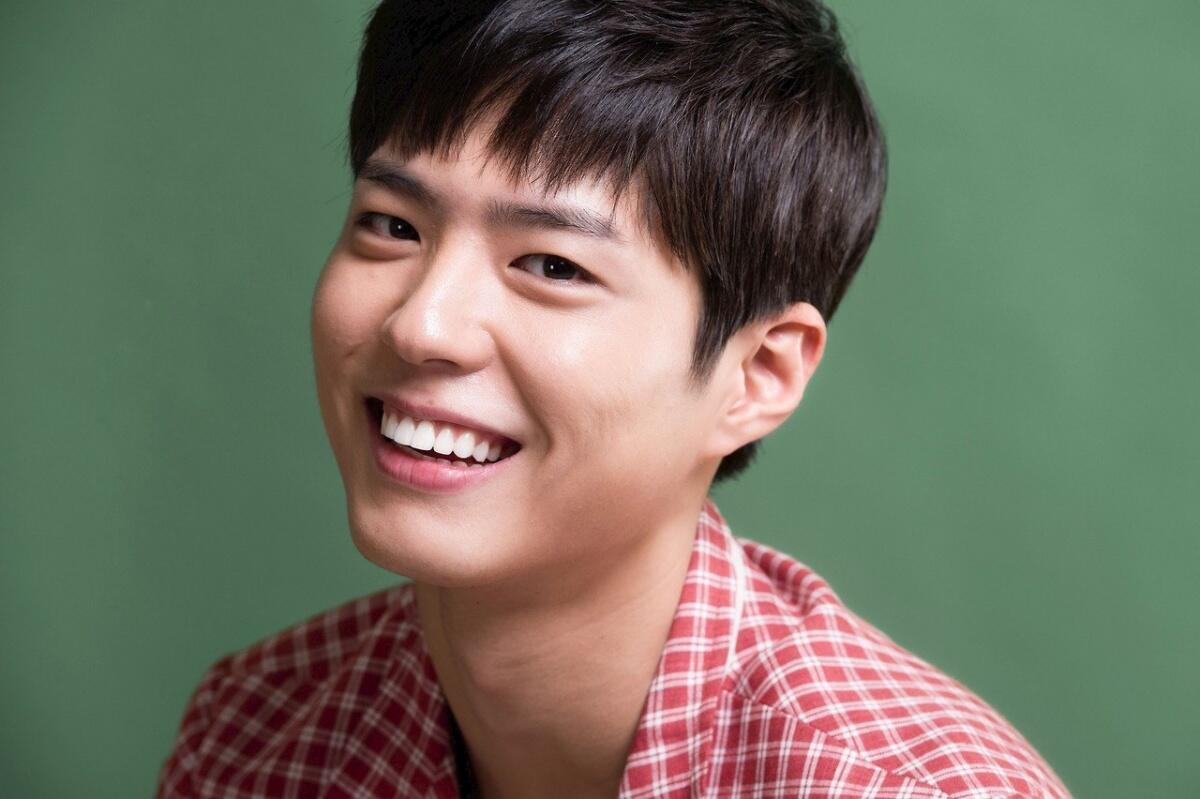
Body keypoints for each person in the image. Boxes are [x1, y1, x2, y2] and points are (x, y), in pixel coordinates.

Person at [156, 1, 1072, 796]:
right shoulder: (252, 739)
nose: (422, 324)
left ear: (758, 374)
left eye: (552, 265)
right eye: (393, 224)